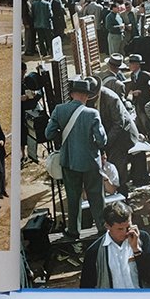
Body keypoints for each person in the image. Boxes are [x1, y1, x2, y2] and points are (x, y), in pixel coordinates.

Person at [46, 79, 107, 238]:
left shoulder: (59, 110)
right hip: (90, 162)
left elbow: (48, 134)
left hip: (69, 161)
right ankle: (102, 228)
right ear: (86, 96)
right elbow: (102, 140)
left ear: (72, 94)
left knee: (73, 198)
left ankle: (73, 231)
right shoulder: (92, 113)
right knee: (96, 197)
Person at [80, 201, 150, 289]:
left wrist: (136, 250)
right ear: (107, 226)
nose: (126, 232)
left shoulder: (142, 238)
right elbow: (86, 287)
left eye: (128, 227)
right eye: (120, 229)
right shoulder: (94, 252)